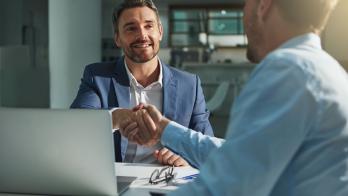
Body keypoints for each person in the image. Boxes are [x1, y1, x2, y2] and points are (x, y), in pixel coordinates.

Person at [121, 0, 348, 195]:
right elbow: (238, 155)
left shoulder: (287, 70)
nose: (244, 12)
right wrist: (164, 129)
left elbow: (224, 187)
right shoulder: (325, 69)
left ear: (263, 5)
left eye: (246, 3)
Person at [70, 0, 213, 166]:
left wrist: (187, 158)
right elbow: (76, 122)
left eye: (149, 26)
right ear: (117, 38)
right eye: (131, 28)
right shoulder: (97, 76)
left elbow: (207, 145)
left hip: (167, 181)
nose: (142, 35)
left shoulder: (190, 85)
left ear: (160, 31)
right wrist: (117, 117)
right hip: (114, 182)